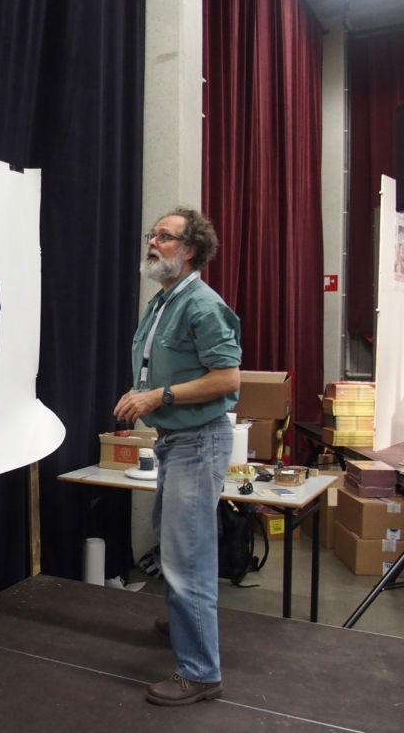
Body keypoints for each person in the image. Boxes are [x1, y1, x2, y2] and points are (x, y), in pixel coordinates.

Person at [113, 208, 241, 707]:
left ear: (190, 250)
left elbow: (227, 378)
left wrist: (158, 397)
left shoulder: (203, 305)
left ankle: (201, 672)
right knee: (173, 544)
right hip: (176, 442)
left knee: (188, 556)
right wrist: (143, 392)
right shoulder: (165, 300)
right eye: (152, 234)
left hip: (198, 441)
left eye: (164, 237)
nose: (152, 242)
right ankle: (185, 622)